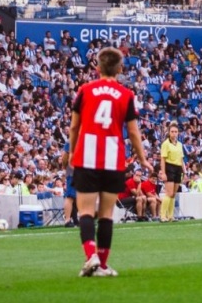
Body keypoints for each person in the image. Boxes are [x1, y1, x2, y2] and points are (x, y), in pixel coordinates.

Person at [69, 47, 151, 278]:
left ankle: (90, 255)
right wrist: (142, 159)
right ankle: (103, 266)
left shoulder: (85, 90)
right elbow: (134, 132)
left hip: (87, 156)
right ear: (120, 69)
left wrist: (71, 152)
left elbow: (74, 126)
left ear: (97, 68)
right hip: (113, 159)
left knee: (85, 210)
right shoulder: (126, 95)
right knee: (105, 214)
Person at [158, 122, 185, 222]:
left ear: (178, 133)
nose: (174, 133)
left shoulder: (179, 144)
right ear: (169, 132)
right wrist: (163, 172)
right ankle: (162, 215)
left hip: (178, 168)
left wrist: (184, 171)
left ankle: (170, 215)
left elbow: (181, 159)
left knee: (173, 194)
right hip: (169, 167)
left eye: (176, 132)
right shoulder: (165, 144)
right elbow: (163, 159)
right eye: (172, 131)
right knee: (168, 193)